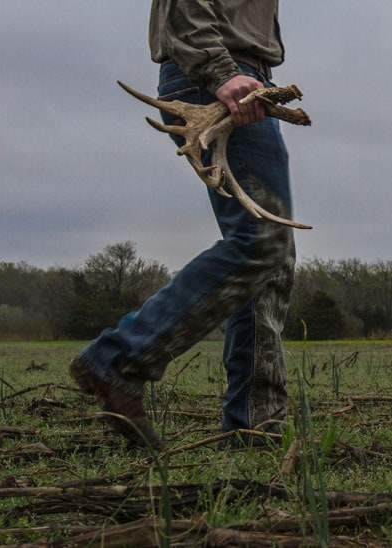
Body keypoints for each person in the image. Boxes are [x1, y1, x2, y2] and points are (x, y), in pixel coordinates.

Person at [69, 0, 296, 450]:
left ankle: (254, 425)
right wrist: (220, 72)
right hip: (219, 76)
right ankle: (120, 359)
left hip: (242, 75)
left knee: (272, 253)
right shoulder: (219, 71)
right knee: (260, 241)